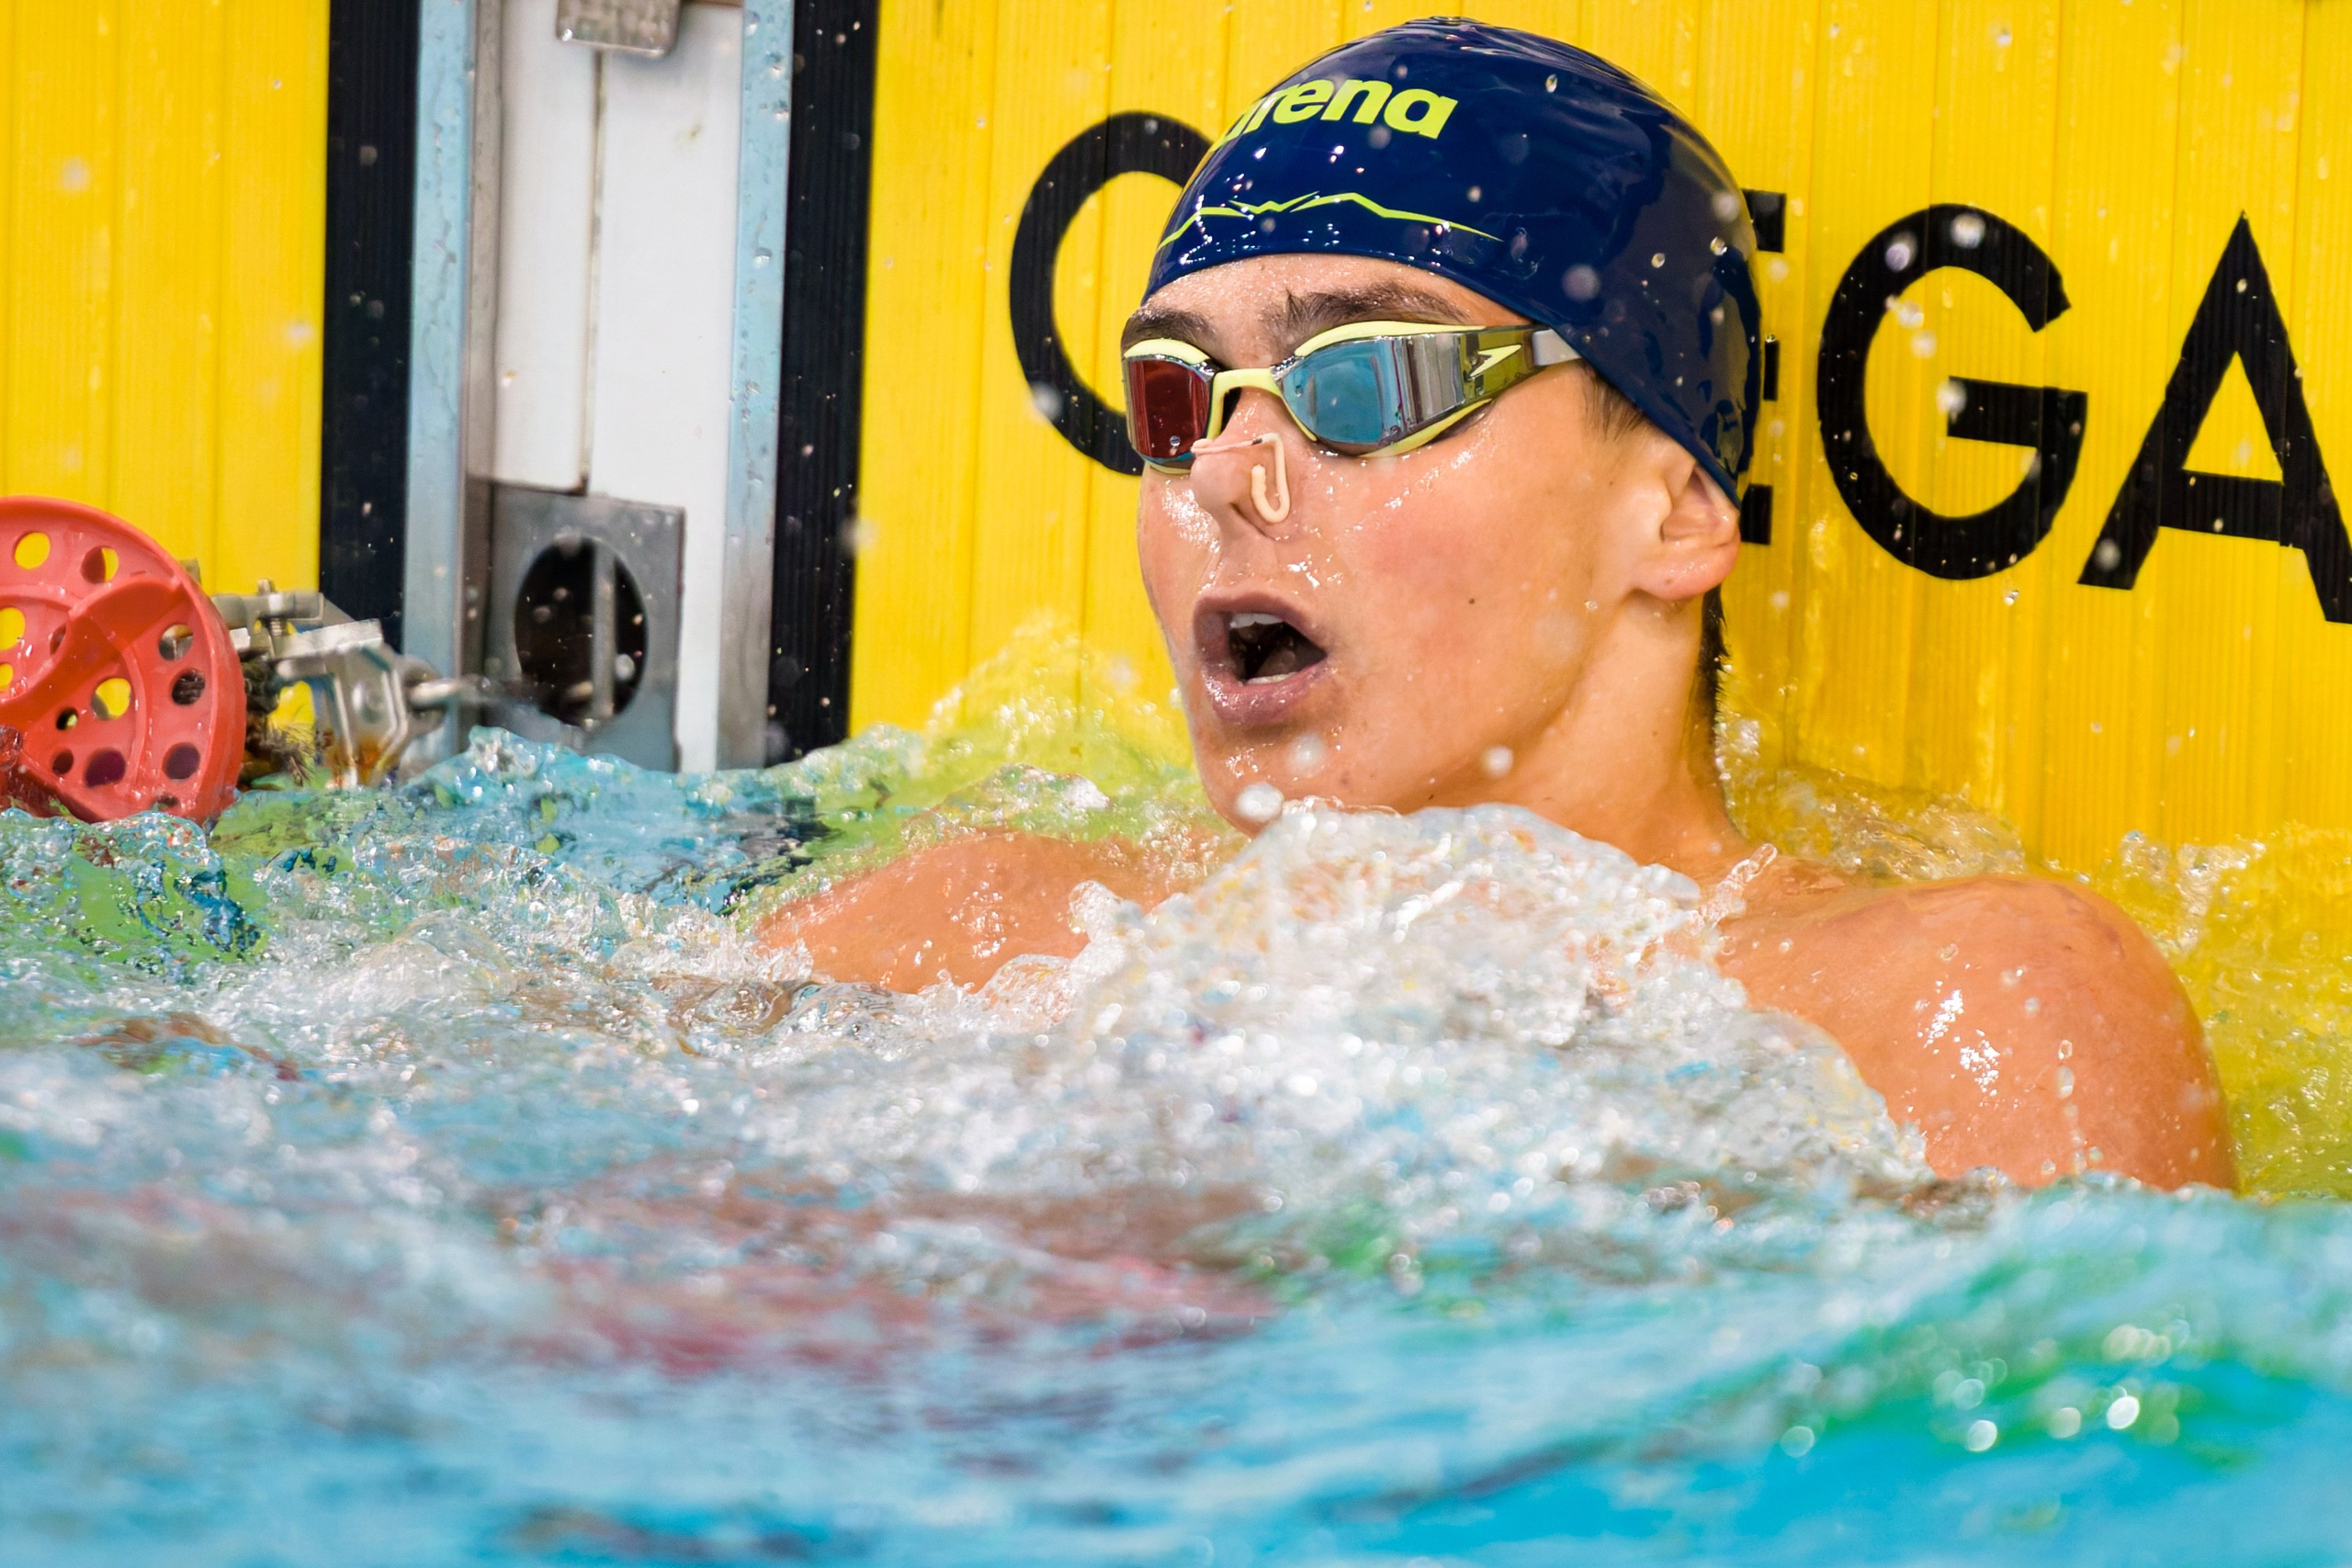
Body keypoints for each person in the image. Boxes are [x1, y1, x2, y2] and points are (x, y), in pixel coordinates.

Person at [763, 20, 2233, 1191]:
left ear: (1676, 510)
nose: (1219, 471)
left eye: (1369, 381)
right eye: (1177, 394)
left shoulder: (1952, 1009)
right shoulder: (970, 935)